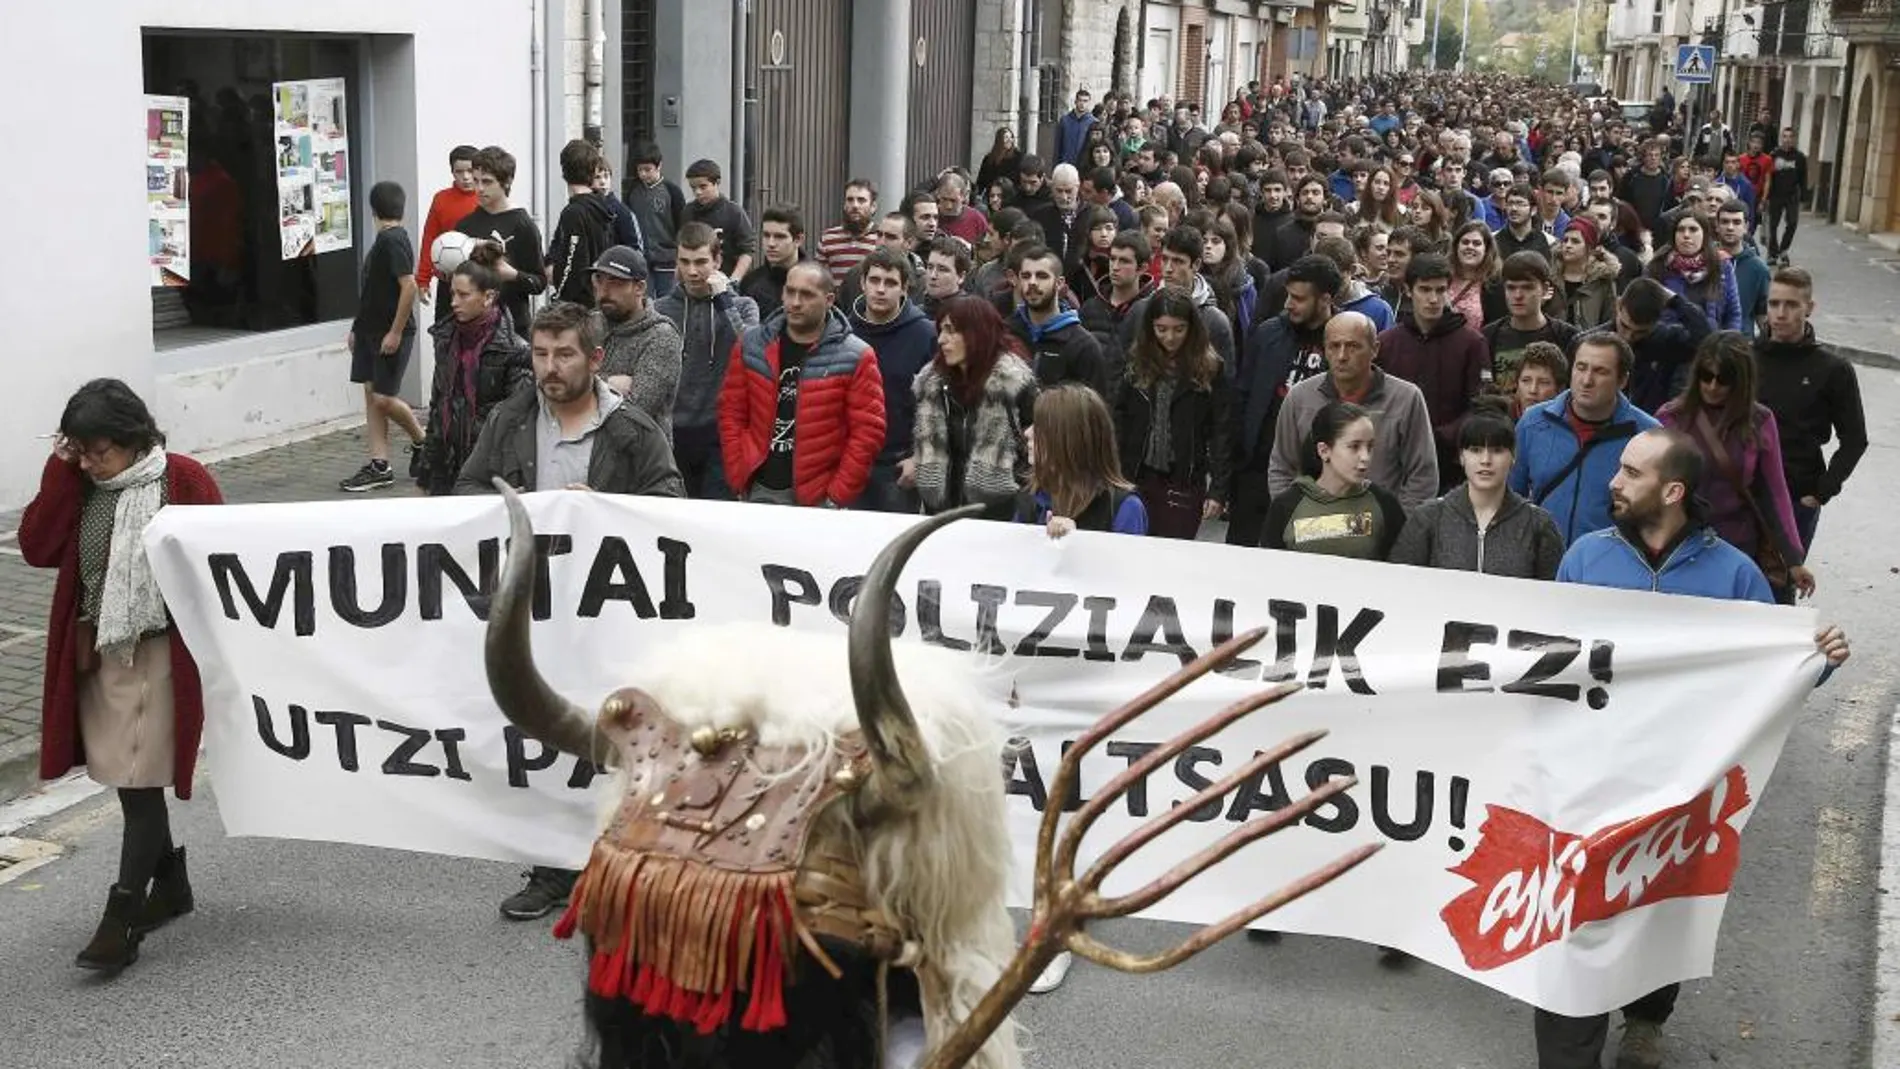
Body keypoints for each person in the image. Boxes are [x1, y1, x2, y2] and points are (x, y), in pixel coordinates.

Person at [1538, 426, 1851, 1069]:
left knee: (1658, 906)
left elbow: (1767, 669)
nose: (1613, 482)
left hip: (1682, 780)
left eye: (1630, 473)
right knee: (1580, 914)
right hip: (1590, 776)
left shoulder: (1733, 575)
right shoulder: (1583, 558)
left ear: (1672, 490)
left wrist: (1817, 660)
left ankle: (1648, 1018)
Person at [457, 302, 681, 920]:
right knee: (547, 738)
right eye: (540, 354)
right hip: (539, 614)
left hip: (611, 618)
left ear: (596, 359)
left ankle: (622, 861)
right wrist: (519, 507)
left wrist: (604, 508)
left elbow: (672, 502)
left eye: (565, 355)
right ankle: (555, 868)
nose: (549, 368)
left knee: (612, 734)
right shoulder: (509, 419)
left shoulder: (633, 429)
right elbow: (467, 489)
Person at [18, 379, 224, 972]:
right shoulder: (80, 485)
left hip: (158, 654)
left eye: (99, 451)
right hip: (99, 652)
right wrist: (61, 473)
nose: (90, 462)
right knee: (125, 775)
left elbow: (220, 561)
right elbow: (36, 546)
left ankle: (122, 916)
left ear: (136, 440)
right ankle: (172, 884)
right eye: (79, 451)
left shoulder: (181, 478)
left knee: (138, 784)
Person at [1658, 332, 1810, 602]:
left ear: (1740, 380)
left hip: (1737, 547)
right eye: (1706, 375)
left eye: (1723, 378)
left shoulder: (1759, 421)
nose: (1713, 386)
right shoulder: (1671, 418)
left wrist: (1793, 557)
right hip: (1678, 547)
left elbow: (1775, 491)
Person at [719, 262, 885, 506]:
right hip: (758, 488)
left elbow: (868, 433)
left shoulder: (856, 355)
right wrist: (738, 474)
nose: (795, 302)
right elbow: (731, 411)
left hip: (817, 497)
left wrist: (836, 496)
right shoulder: (751, 344)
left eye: (806, 295)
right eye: (790, 291)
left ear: (829, 300)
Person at [1268, 311, 1438, 510]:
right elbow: (1281, 467)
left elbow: (1423, 475)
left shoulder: (1406, 399)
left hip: (1383, 529)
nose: (1341, 356)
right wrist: (1294, 518)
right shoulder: (1300, 397)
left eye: (1353, 346)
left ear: (1374, 349)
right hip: (1312, 528)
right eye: (1334, 346)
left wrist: (1398, 528)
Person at [1229, 254, 1342, 545]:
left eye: (1299, 298)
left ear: (1325, 299)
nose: (1288, 304)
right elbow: (1242, 395)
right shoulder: (1268, 334)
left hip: (1315, 480)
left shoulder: (1343, 344)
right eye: (1288, 296)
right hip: (1257, 472)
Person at [1753, 266, 1867, 550]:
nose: (1780, 313)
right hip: (1741, 492)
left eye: (1791, 305)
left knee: (1781, 584)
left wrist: (1821, 491)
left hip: (1797, 495)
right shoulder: (1744, 358)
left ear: (1809, 308)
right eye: (1774, 303)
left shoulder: (1832, 369)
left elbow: (1854, 439)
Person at [1509, 333, 1661, 545]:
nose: (1587, 380)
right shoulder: (1533, 422)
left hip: (1607, 566)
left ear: (1622, 380)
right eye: (1581, 367)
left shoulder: (1648, 435)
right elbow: (1509, 496)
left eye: (1600, 371)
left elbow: (1654, 518)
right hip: (1539, 561)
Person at [1389, 399, 1565, 578]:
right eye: (1475, 450)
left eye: (1497, 450)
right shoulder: (1428, 519)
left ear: (1513, 456)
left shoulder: (1539, 526)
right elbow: (1401, 586)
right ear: (1461, 457)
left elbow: (1553, 597)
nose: (1486, 460)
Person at [1113, 290, 1233, 539]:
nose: (1169, 337)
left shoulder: (1210, 368)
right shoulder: (1136, 363)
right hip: (1137, 474)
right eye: (1161, 329)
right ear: (1150, 327)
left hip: (1184, 479)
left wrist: (1219, 490)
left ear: (1192, 328)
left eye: (1179, 329)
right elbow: (1118, 418)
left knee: (1173, 554)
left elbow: (1222, 430)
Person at [654, 222, 761, 500]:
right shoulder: (661, 308)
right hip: (674, 430)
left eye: (701, 262)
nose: (691, 271)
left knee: (715, 516)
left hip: (720, 429)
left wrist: (724, 299)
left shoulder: (743, 306)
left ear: (717, 261)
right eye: (684, 262)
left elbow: (754, 349)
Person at [911, 294, 1038, 518]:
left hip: (999, 515)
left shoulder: (1014, 384)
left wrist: (1019, 493)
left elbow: (1039, 448)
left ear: (976, 333)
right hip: (941, 513)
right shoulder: (931, 385)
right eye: (940, 330)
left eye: (951, 330)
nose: (941, 339)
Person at [415, 261, 532, 497]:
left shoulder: (513, 351)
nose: (454, 303)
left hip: (488, 474)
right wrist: (425, 474)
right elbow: (438, 407)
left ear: (488, 297)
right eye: (452, 294)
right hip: (446, 468)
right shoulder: (446, 339)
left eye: (463, 295)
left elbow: (518, 424)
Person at [340, 180, 426, 492]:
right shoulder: (385, 240)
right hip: (368, 330)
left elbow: (409, 287)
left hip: (388, 333)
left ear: (372, 210)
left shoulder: (393, 241)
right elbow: (374, 292)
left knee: (383, 398)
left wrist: (395, 332)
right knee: (371, 397)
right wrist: (356, 327)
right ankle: (379, 464)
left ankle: (423, 441)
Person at [1376, 252, 1489, 491]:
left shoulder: (1472, 343)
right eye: (1425, 290)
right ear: (1408, 290)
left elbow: (1481, 405)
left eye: (1440, 290)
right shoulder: (1387, 343)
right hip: (1395, 464)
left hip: (1451, 465)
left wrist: (1439, 436)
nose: (1433, 299)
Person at [849, 248, 938, 513]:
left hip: (898, 468)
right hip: (848, 462)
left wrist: (920, 457)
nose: (880, 289)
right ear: (862, 283)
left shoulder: (925, 335)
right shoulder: (841, 331)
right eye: (874, 281)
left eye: (890, 283)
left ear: (905, 288)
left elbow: (937, 406)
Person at [1261, 400, 1408, 559]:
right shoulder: (1287, 505)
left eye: (1370, 447)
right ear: (1324, 451)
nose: (1365, 457)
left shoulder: (1384, 504)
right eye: (1354, 447)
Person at [1015, 383, 1149, 535]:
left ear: (1070, 440)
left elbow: (1124, 558)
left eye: (1040, 427)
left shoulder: (1124, 508)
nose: (1028, 432)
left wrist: (1080, 542)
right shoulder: (1033, 496)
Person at [454, 146, 547, 341]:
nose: (478, 188)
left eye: (487, 182)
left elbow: (539, 282)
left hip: (512, 331)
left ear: (506, 182)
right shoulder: (464, 225)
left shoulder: (523, 225)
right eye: (476, 180)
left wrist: (512, 275)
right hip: (470, 331)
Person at [591, 246, 683, 441]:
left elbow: (636, 412)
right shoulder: (589, 325)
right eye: (599, 279)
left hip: (642, 461)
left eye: (615, 282)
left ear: (639, 288)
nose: (604, 291)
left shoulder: (660, 336)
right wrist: (608, 383)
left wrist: (583, 381)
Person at [1006, 245, 1109, 394]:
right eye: (1026, 276)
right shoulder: (1005, 333)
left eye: (1042, 276)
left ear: (1059, 283)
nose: (1032, 282)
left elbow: (1095, 411)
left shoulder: (1083, 346)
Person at [1483, 251, 1579, 385]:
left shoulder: (1567, 337)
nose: (1518, 295)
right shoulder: (1488, 336)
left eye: (1527, 287)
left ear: (1545, 289)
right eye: (1511, 288)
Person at [545, 139, 620, 307]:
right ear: (593, 171)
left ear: (564, 171)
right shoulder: (601, 208)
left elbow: (573, 263)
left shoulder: (574, 212)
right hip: (596, 299)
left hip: (578, 306)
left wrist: (560, 295)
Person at [1645, 211, 1742, 331]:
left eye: (1693, 229)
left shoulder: (1721, 266)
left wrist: (1728, 344)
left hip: (1711, 343)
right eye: (1680, 230)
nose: (1686, 235)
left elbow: (1733, 314)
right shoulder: (1657, 266)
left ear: (1704, 235)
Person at [416, 144, 481, 318]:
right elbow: (430, 237)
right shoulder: (441, 199)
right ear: (452, 172)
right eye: (459, 172)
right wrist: (423, 279)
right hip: (447, 280)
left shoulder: (486, 199)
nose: (466, 177)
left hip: (479, 282)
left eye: (470, 170)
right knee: (445, 334)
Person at [625, 142, 687, 297]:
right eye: (640, 170)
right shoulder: (632, 190)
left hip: (667, 260)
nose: (643, 174)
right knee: (644, 301)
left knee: (667, 300)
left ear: (659, 166)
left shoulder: (672, 192)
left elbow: (682, 226)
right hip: (641, 259)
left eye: (648, 170)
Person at [681, 158, 756, 281]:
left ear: (717, 182)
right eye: (693, 188)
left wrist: (734, 279)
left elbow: (747, 251)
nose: (698, 192)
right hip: (693, 280)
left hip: (724, 279)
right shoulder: (688, 212)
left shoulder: (734, 212)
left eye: (703, 186)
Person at [1550, 217, 1618, 330]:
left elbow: (1609, 321)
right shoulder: (1550, 276)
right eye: (1565, 240)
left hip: (1590, 342)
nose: (1568, 245)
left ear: (1590, 247)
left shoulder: (1602, 280)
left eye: (1575, 241)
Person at [741, 206, 808, 319]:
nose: (771, 243)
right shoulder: (750, 283)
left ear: (798, 240)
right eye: (766, 235)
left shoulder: (817, 283)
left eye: (780, 236)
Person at [817, 179, 880, 286]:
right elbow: (819, 280)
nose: (855, 205)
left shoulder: (881, 237)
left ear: (873, 207)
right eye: (850, 200)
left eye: (861, 200)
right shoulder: (828, 238)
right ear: (844, 205)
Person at [1763, 127, 1807, 265]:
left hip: (1792, 195)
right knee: (1772, 225)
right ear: (1781, 138)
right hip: (1775, 194)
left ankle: (1784, 250)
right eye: (1785, 136)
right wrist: (1765, 196)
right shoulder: (1774, 155)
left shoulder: (1799, 157)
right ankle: (1772, 253)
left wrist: (1804, 196)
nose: (1787, 139)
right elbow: (1768, 177)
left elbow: (1803, 177)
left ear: (1794, 139)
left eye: (1790, 137)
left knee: (1792, 223)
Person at [1509, 341, 1568, 420]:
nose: (1533, 390)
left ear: (1559, 388)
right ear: (1517, 383)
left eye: (1543, 382)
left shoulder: (1567, 422)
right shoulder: (1501, 417)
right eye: (1526, 381)